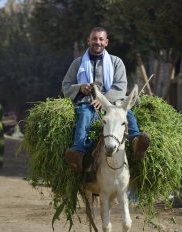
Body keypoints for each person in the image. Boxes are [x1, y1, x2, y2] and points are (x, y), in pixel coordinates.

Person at [62, 27, 150, 173]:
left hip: (113, 104)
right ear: (88, 41)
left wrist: (104, 101)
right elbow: (66, 85)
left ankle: (135, 141)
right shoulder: (77, 64)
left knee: (126, 113)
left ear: (106, 42)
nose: (97, 42)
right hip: (88, 102)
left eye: (101, 39)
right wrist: (80, 88)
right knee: (85, 116)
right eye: (94, 38)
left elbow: (121, 86)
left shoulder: (116, 62)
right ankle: (78, 153)